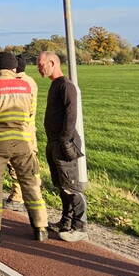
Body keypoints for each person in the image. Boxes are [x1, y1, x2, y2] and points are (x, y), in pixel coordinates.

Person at [0, 51, 48, 244]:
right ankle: (40, 227)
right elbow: (29, 112)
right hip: (22, 141)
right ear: (14, 68)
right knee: (30, 183)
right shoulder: (25, 87)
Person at [38, 50, 88, 242]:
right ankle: (65, 221)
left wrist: (65, 141)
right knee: (61, 185)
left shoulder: (66, 86)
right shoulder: (55, 85)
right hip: (54, 142)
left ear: (52, 62)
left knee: (71, 186)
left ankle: (80, 226)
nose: (39, 68)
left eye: (41, 64)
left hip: (63, 143)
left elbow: (71, 114)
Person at [6, 54, 38, 205]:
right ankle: (35, 193)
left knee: (16, 163)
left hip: (18, 129)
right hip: (30, 128)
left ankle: (17, 196)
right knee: (31, 162)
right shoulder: (31, 81)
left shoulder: (16, 84)